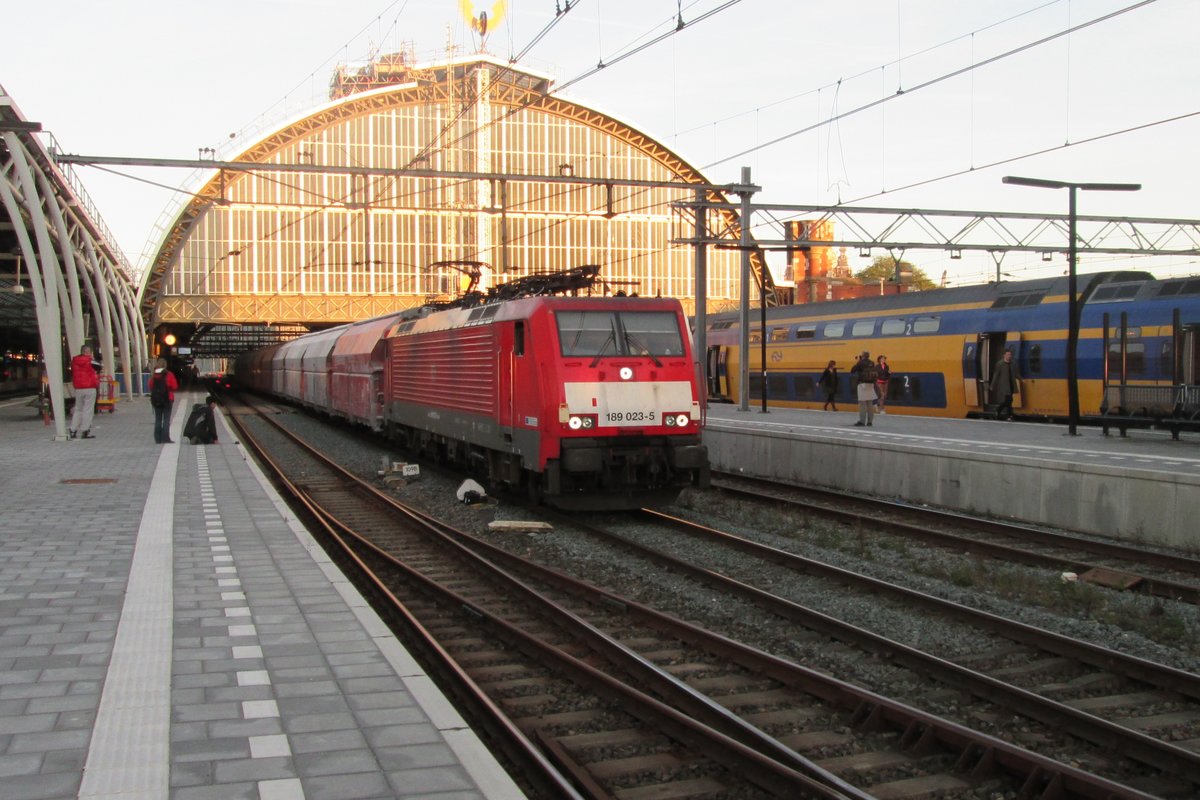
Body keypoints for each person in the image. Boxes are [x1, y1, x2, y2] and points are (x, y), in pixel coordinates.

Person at [68, 345, 100, 439]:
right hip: (90, 387)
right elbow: (99, 367)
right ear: (89, 352)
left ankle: (73, 430)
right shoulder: (91, 361)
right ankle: (85, 430)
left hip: (79, 388)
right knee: (88, 410)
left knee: (78, 409)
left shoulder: (74, 361)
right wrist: (92, 358)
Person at [149, 359, 179, 444]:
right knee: (166, 419)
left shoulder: (154, 375)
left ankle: (157, 439)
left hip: (156, 400)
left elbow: (150, 386)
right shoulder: (169, 374)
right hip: (168, 399)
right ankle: (165, 438)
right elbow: (175, 386)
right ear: (165, 365)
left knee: (158, 419)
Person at [990, 349, 1020, 420]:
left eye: (1010, 355)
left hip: (1011, 384)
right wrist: (992, 385)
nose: (1009, 356)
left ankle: (998, 411)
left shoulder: (1013, 363)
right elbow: (996, 375)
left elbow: (1016, 373)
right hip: (1004, 385)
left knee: (1008, 400)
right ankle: (1009, 415)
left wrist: (1021, 380)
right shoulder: (1000, 364)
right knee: (1009, 399)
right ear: (1004, 355)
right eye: (1008, 355)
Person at [850, 351, 877, 427]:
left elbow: (852, 370)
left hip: (862, 385)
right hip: (871, 384)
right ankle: (870, 422)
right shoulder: (872, 363)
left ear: (863, 356)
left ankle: (862, 421)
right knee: (870, 403)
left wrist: (858, 361)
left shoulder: (860, 363)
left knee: (862, 404)